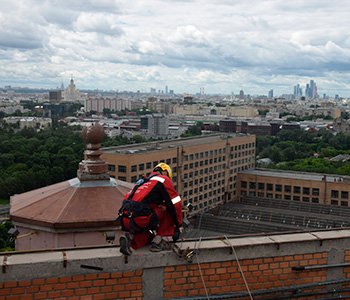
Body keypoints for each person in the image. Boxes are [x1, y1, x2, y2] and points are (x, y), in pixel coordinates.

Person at [118, 163, 183, 255]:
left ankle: (129, 237)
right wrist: (178, 224)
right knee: (166, 208)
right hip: (140, 219)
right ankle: (158, 241)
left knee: (146, 235)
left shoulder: (142, 181)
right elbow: (175, 204)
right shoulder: (163, 179)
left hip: (125, 219)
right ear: (165, 172)